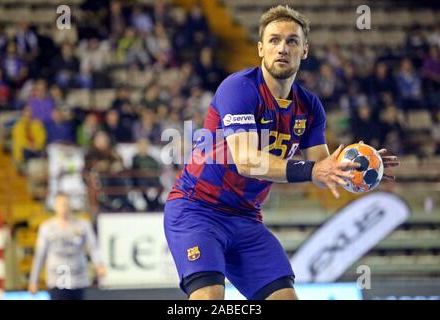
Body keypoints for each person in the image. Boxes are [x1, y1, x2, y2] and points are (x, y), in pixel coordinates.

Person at [164, 5, 399, 300]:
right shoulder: (239, 88)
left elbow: (321, 167)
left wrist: (359, 163)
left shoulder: (310, 106)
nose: (282, 48)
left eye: (292, 41)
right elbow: (248, 162)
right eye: (274, 40)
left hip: (246, 219)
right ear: (261, 49)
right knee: (209, 297)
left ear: (304, 51)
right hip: (197, 210)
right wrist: (315, 170)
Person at [29, 193, 106, 300]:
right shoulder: (47, 227)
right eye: (61, 204)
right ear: (55, 206)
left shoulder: (82, 225)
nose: (63, 207)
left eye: (66, 204)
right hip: (56, 278)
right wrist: (33, 280)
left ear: (70, 206)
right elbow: (40, 255)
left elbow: (93, 247)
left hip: (78, 277)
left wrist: (99, 265)